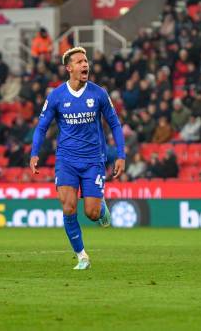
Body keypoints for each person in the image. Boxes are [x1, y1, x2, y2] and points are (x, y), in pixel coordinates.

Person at [30, 46, 125, 270]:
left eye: (86, 61)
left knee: (91, 213)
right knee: (69, 207)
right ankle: (82, 255)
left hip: (93, 160)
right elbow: (42, 127)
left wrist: (120, 155)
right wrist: (34, 152)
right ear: (69, 68)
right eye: (80, 62)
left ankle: (100, 208)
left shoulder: (99, 93)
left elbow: (114, 124)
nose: (85, 65)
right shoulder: (56, 96)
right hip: (66, 160)